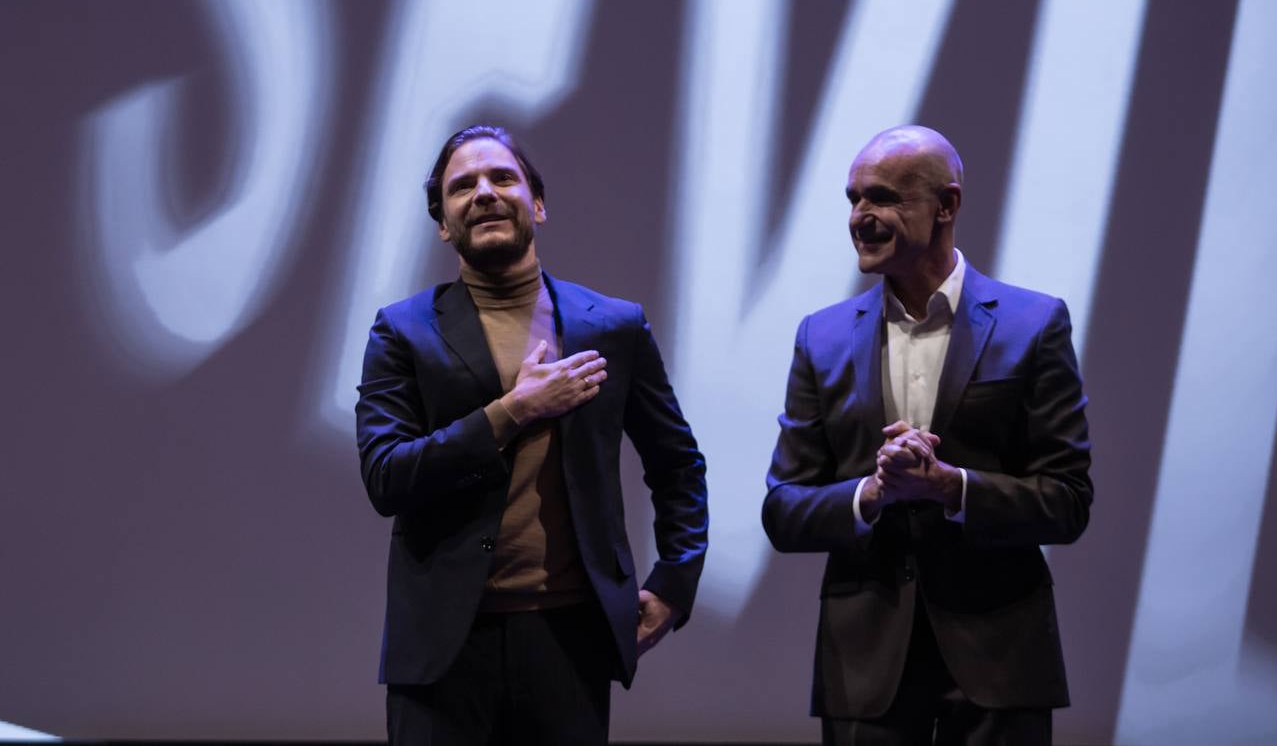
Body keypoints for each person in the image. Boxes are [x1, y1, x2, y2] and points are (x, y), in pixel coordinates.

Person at [356, 125, 708, 745]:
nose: (484, 192)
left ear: (537, 205)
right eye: (461, 186)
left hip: (568, 638)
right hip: (443, 648)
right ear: (444, 222)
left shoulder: (614, 326)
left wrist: (673, 586)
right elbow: (386, 476)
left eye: (502, 178)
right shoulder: (401, 332)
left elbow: (677, 465)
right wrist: (511, 411)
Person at [762, 125, 1093, 745]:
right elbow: (784, 510)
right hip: (864, 664)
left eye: (882, 198)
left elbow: (1069, 501)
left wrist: (952, 488)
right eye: (853, 199)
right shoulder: (822, 337)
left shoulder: (1034, 324)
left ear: (947, 205)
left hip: (1001, 657)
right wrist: (872, 494)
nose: (860, 216)